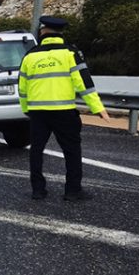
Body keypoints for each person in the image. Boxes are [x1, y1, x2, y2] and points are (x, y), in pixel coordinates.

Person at [18, 15, 111, 201]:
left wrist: (26, 109)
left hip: (38, 113)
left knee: (36, 150)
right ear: (60, 32)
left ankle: (38, 190)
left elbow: (22, 87)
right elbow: (84, 83)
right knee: (72, 151)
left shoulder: (30, 56)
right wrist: (97, 108)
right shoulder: (70, 54)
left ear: (43, 32)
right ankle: (73, 191)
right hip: (64, 112)